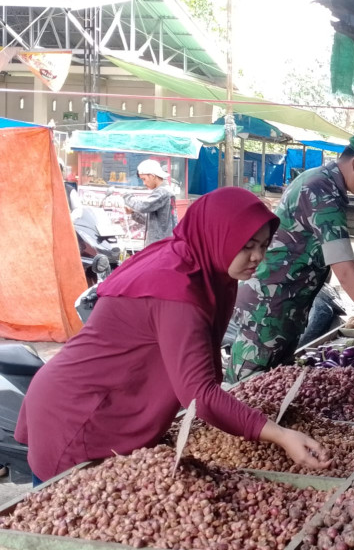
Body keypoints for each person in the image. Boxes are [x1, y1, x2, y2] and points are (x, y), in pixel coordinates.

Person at [15, 187, 331, 484]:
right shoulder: (178, 290)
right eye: (246, 245)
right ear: (215, 235)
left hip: (93, 398)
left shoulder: (197, 259)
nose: (257, 257)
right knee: (63, 524)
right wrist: (280, 435)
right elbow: (201, 396)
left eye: (263, 245)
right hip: (79, 414)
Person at [226, 131, 354, 383]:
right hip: (268, 309)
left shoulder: (321, 180)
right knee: (245, 393)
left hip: (284, 306)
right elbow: (346, 271)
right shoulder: (322, 191)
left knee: (272, 388)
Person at [123, 159, 179, 246]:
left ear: (153, 176)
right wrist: (133, 212)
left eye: (144, 179)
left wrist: (126, 197)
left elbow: (143, 206)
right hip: (162, 244)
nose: (144, 183)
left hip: (160, 245)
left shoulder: (162, 192)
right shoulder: (163, 192)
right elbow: (150, 221)